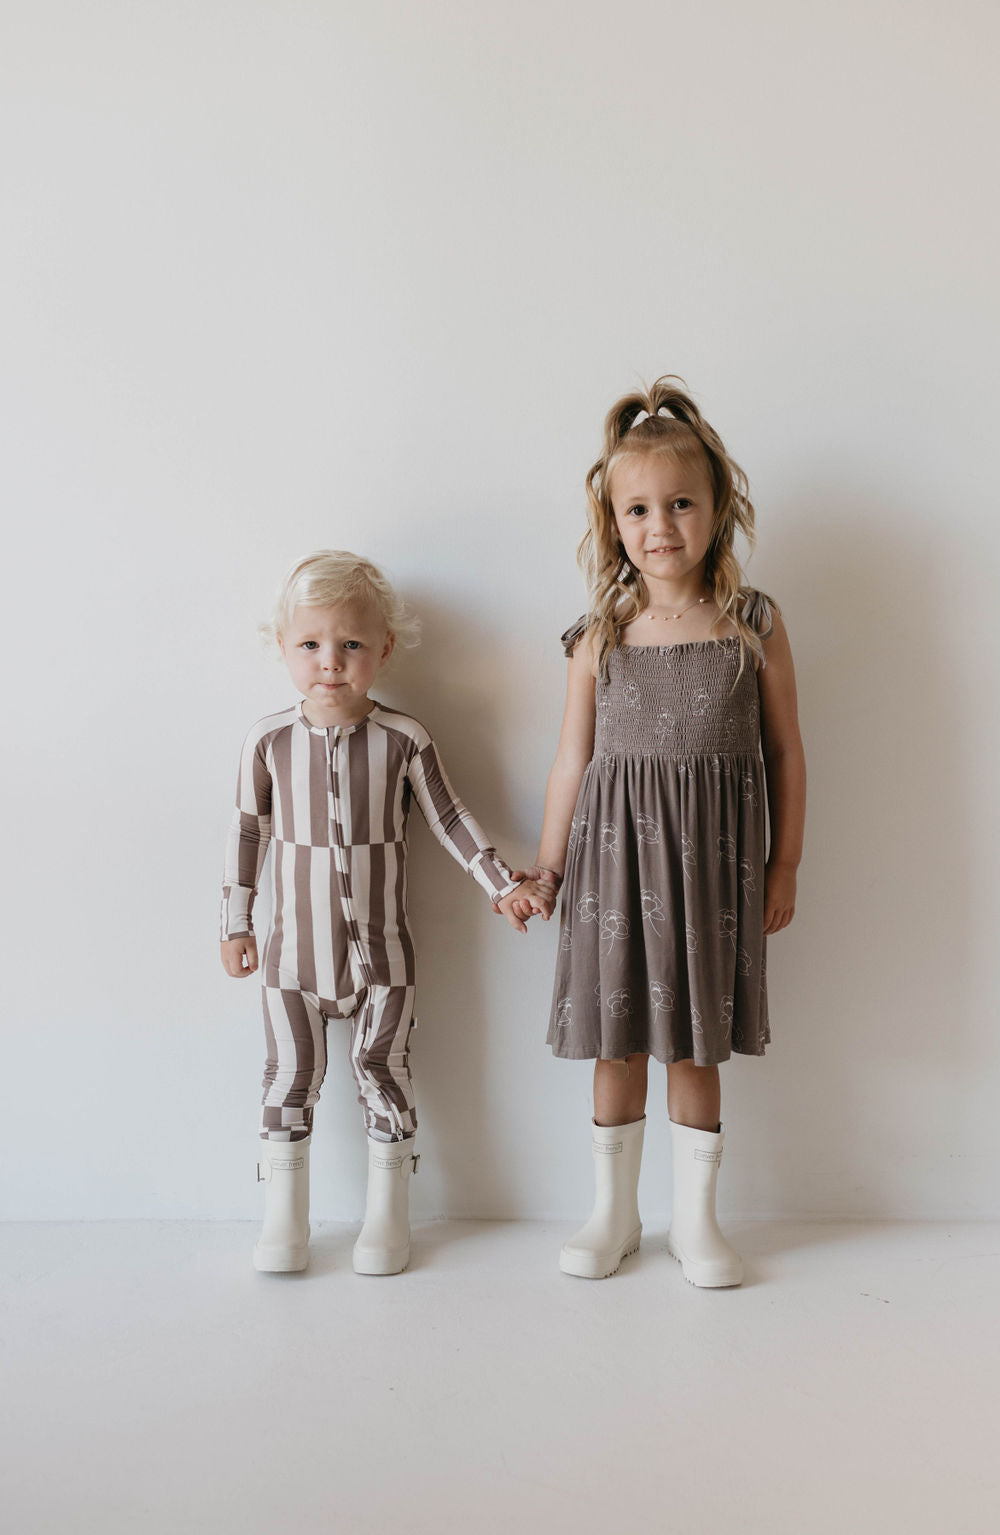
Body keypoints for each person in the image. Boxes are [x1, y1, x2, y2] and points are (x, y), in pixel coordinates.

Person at [512, 377, 806, 1284]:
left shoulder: (753, 625)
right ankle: (611, 1216)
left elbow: (787, 752)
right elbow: (572, 761)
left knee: (693, 1043)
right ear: (612, 519)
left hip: (711, 876)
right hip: (610, 870)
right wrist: (548, 866)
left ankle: (697, 1223)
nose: (661, 526)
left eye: (681, 503)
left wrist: (785, 861)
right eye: (638, 508)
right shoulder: (596, 636)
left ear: (719, 507)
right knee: (618, 1040)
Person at [221, 550, 552, 1276]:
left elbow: (451, 817)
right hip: (291, 962)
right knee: (287, 1078)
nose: (329, 662)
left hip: (384, 959)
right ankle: (284, 1222)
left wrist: (501, 884)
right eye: (309, 644)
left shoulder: (404, 738)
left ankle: (387, 1217)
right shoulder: (267, 740)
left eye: (350, 645)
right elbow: (247, 832)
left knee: (386, 1071)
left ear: (383, 650)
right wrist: (236, 924)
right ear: (282, 648)